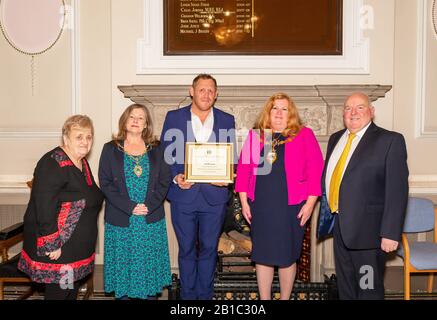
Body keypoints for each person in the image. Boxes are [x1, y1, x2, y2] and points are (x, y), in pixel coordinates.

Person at [317, 92, 409, 300]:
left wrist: (391, 233)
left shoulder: (389, 141)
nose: (353, 112)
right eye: (348, 108)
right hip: (340, 227)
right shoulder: (336, 139)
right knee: (346, 286)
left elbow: (397, 191)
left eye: (359, 107)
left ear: (371, 111)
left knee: (367, 288)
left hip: (369, 234)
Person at [235, 92, 324, 300]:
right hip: (261, 206)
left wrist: (310, 204)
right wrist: (243, 202)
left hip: (291, 207)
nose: (279, 113)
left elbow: (316, 170)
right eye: (275, 108)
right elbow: (244, 169)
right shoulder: (257, 136)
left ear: (290, 114)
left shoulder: (303, 135)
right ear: (268, 112)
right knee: (263, 257)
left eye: (284, 109)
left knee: (287, 257)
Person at [160, 74, 236, 300]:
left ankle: (205, 297)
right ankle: (188, 298)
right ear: (191, 91)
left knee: (209, 250)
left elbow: (230, 157)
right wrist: (176, 178)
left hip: (214, 197)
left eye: (211, 90)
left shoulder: (226, 119)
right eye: (202, 90)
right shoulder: (174, 117)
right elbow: (165, 155)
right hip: (183, 196)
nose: (206, 94)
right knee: (186, 250)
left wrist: (227, 175)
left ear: (216, 94)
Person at [17, 115, 103, 300]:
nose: (85, 141)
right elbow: (43, 206)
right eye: (79, 137)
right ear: (66, 138)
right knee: (59, 295)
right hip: (60, 249)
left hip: (75, 249)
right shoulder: (52, 162)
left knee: (70, 293)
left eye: (89, 137)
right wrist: (52, 244)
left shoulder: (81, 162)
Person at [99, 103, 172, 300]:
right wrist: (130, 207)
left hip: (150, 219)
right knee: (124, 272)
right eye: (132, 116)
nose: (136, 121)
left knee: (148, 272)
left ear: (146, 124)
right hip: (122, 219)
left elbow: (165, 180)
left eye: (141, 118)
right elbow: (105, 183)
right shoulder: (110, 149)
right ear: (124, 120)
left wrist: (149, 205)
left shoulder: (158, 148)